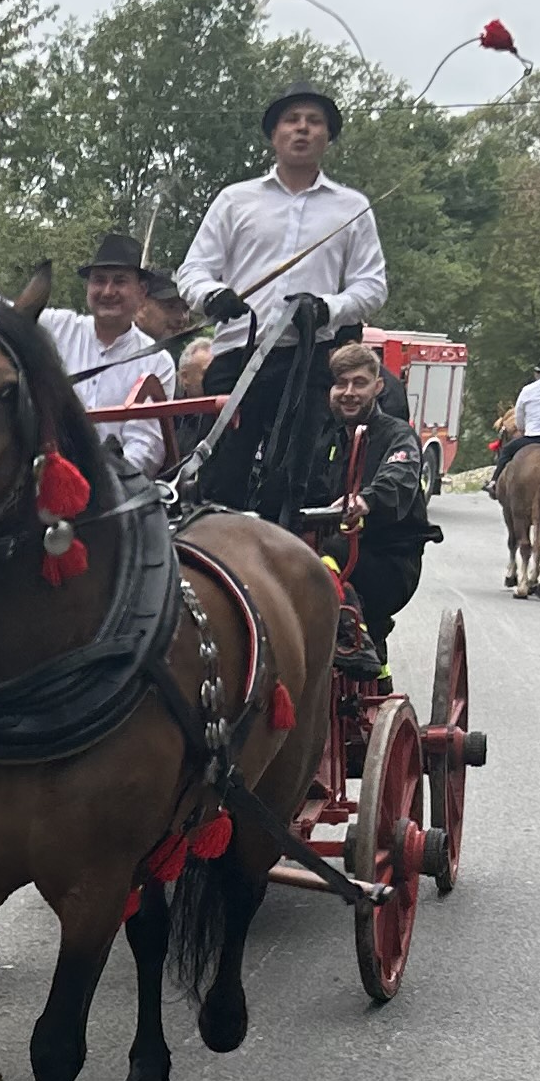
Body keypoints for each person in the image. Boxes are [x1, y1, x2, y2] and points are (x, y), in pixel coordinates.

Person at [175, 82, 387, 526]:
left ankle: (289, 556)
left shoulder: (352, 207)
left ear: (327, 136)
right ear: (274, 135)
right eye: (292, 121)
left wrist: (326, 308)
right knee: (221, 469)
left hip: (308, 360)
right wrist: (214, 297)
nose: (302, 130)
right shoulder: (235, 200)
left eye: (314, 122)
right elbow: (192, 271)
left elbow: (372, 286)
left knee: (296, 477)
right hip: (238, 352)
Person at [0, 187, 185, 475]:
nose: (107, 291)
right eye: (99, 280)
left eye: (119, 281)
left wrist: (99, 485)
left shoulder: (157, 362)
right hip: (41, 480)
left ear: (141, 291)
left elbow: (146, 448)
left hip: (116, 499)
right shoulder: (56, 327)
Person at [328, 343, 434, 654]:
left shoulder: (398, 435)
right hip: (335, 550)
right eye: (340, 383)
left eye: (359, 383)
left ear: (378, 387)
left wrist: (365, 501)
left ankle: (359, 644)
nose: (349, 392)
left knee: (328, 552)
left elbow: (398, 480)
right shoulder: (323, 438)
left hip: (389, 561)